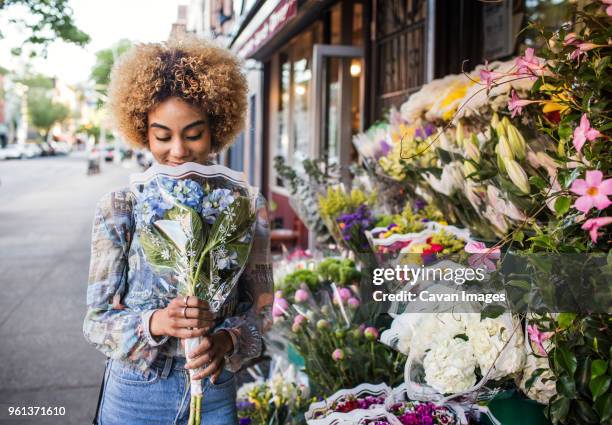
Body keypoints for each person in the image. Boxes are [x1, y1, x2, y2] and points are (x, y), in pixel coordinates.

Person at [83, 37, 273, 425]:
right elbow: (96, 321)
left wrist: (228, 341)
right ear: (142, 132)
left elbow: (263, 312)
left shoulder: (248, 206)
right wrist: (155, 323)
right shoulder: (120, 206)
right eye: (162, 135)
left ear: (217, 127)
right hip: (136, 393)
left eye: (193, 134)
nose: (178, 151)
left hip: (215, 390)